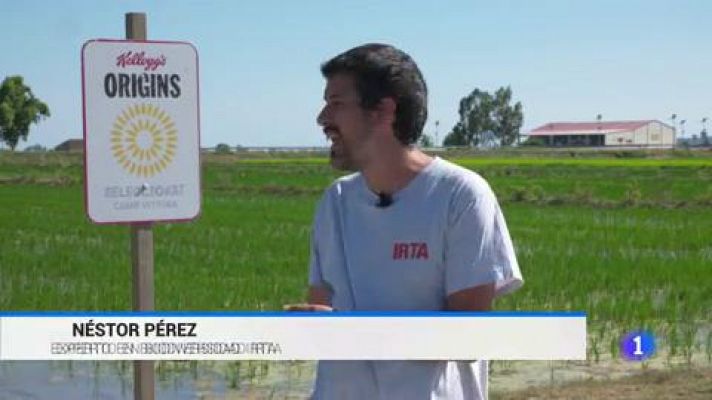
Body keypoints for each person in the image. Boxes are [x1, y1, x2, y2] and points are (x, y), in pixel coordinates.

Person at [285, 43, 523, 400]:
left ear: (383, 110)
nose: (322, 119)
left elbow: (467, 338)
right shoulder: (335, 202)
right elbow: (324, 312)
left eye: (336, 103)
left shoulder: (460, 195)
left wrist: (352, 332)